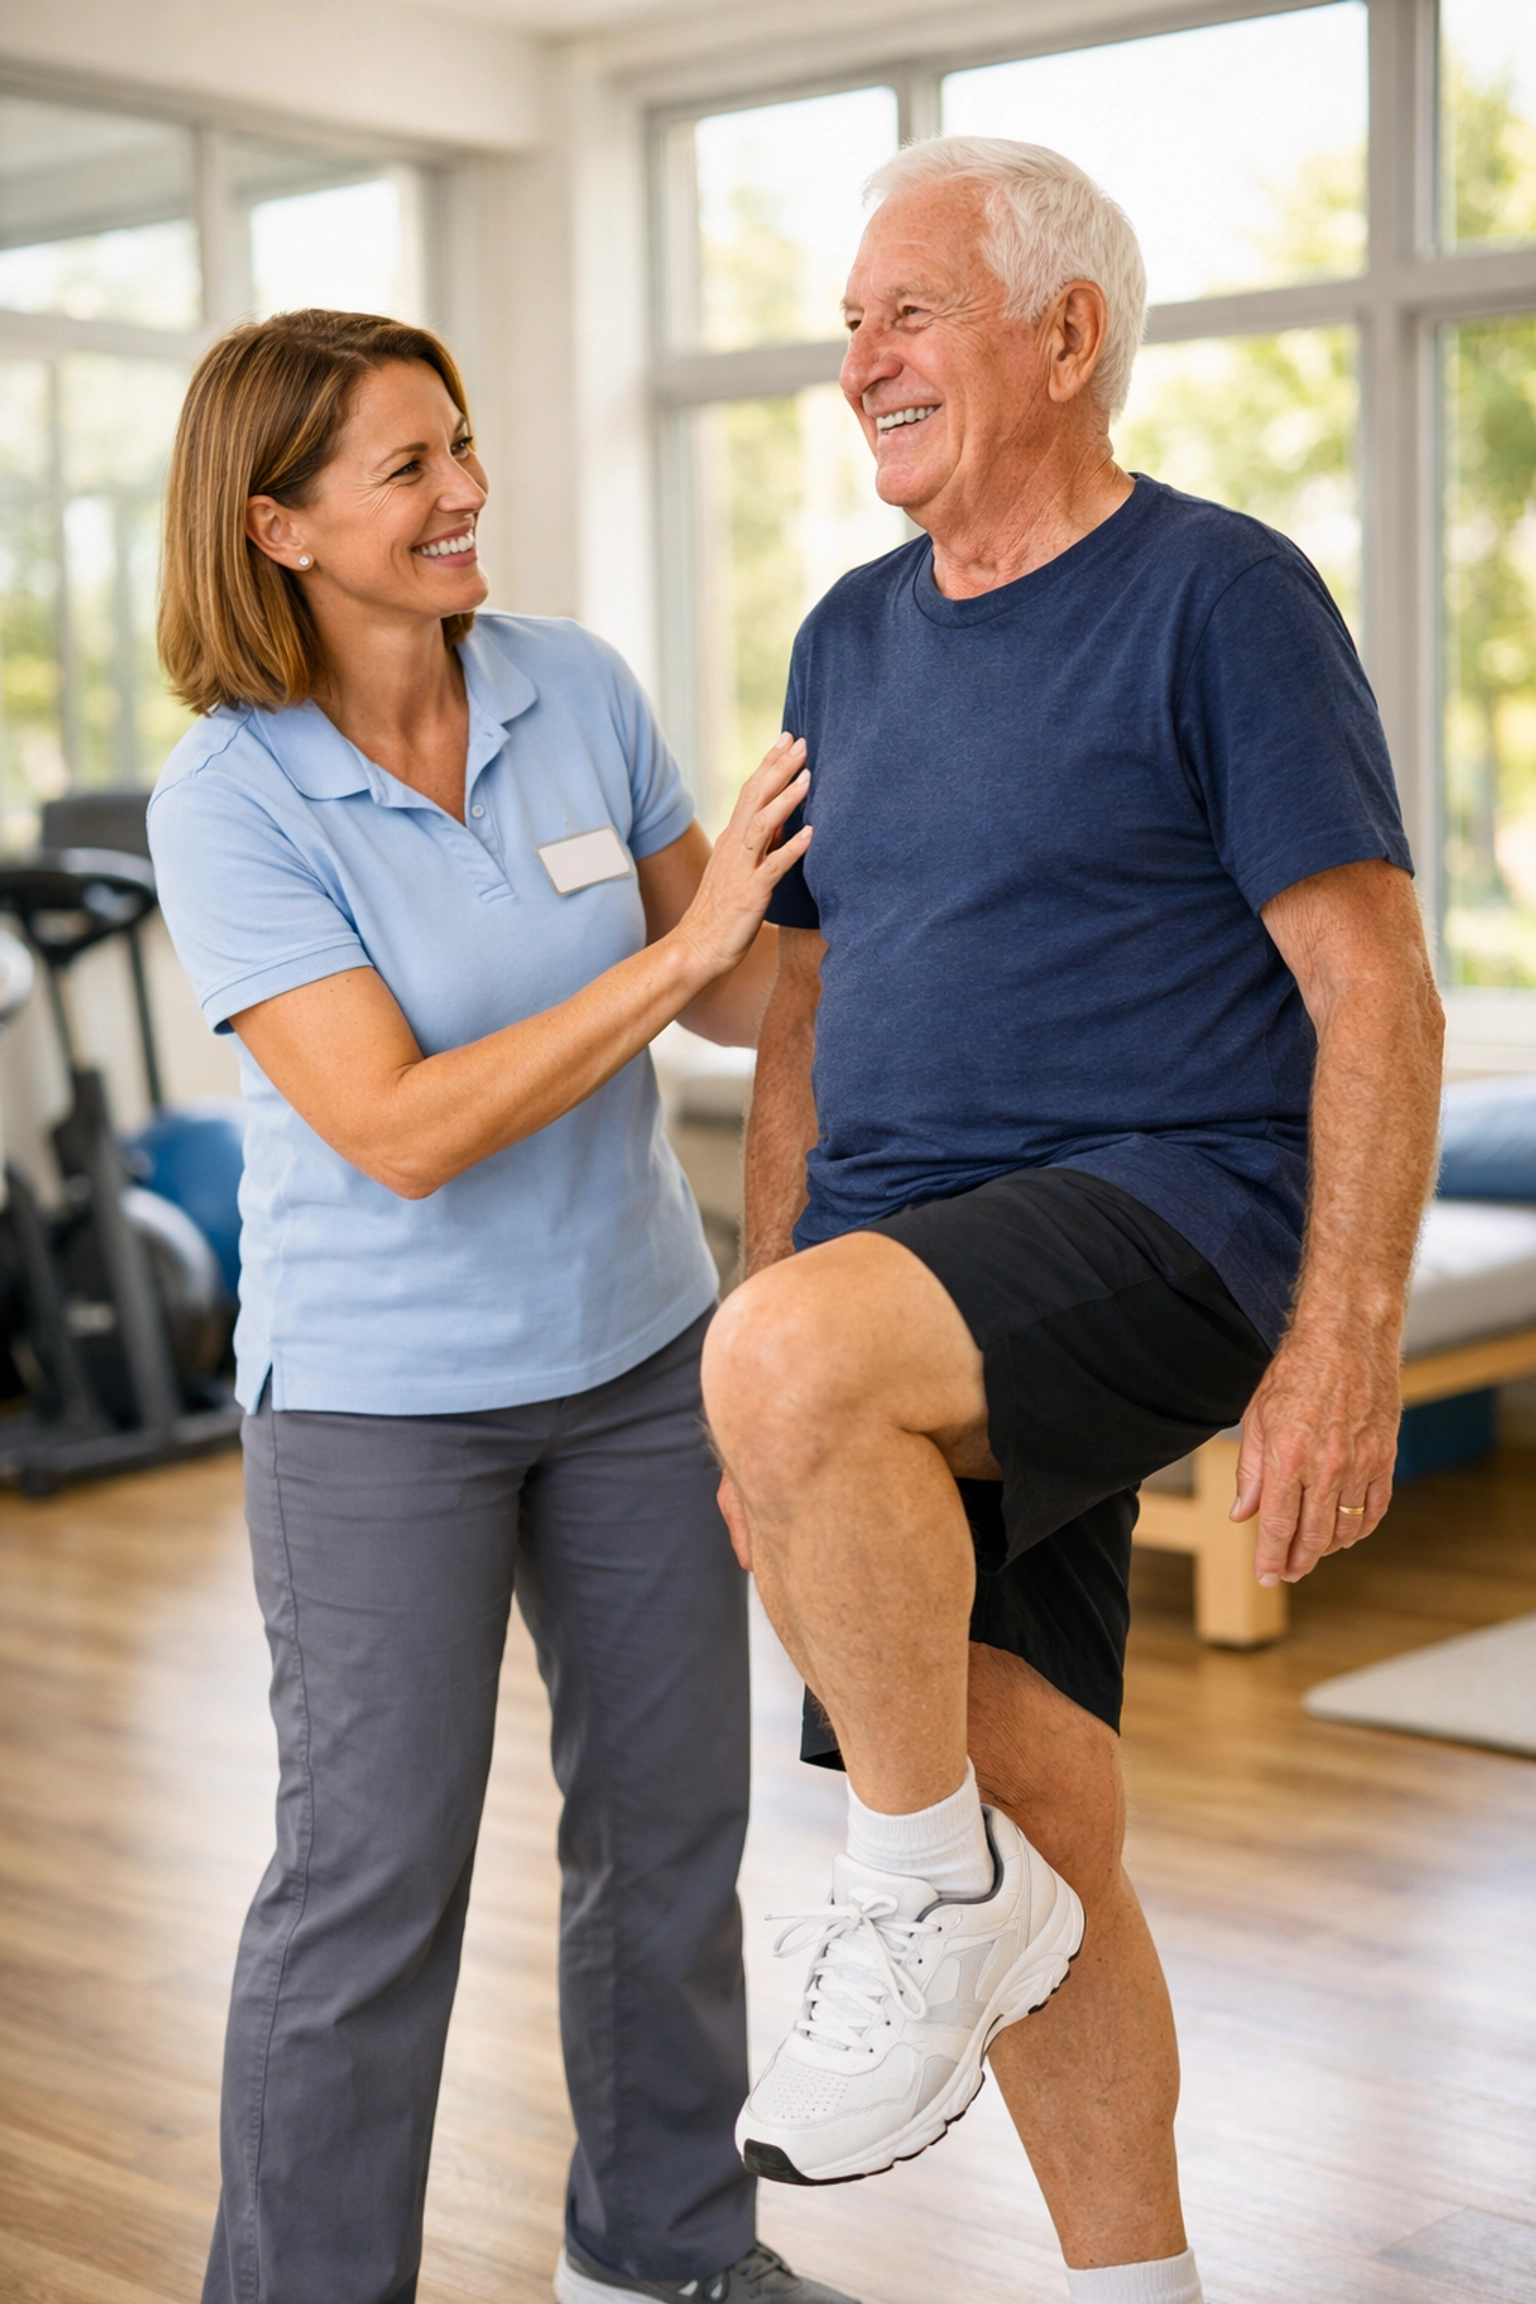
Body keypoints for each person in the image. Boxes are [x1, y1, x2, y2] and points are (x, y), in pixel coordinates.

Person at [702, 139, 1443, 2304]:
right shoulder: (847, 636)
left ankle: (910, 1889)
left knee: (940, 1840)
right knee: (1034, 1816)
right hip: (910, 1285)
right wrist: (779, 1371)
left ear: (1065, 336)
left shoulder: (1220, 597)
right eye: (849, 325)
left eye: (905, 312)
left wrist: (1346, 1336)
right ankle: (1142, 2282)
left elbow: (1371, 983)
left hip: (1169, 1209)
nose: (862, 362)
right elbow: (811, 1008)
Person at [149, 308, 858, 2304]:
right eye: (407, 466)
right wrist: (688, 945)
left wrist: (823, 875)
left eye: (458, 446)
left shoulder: (569, 685)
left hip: (634, 1356)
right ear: (279, 525)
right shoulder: (232, 800)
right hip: (381, 1408)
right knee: (367, 1890)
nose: (465, 493)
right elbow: (393, 1124)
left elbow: (727, 983)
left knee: (668, 1846)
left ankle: (665, 2253)